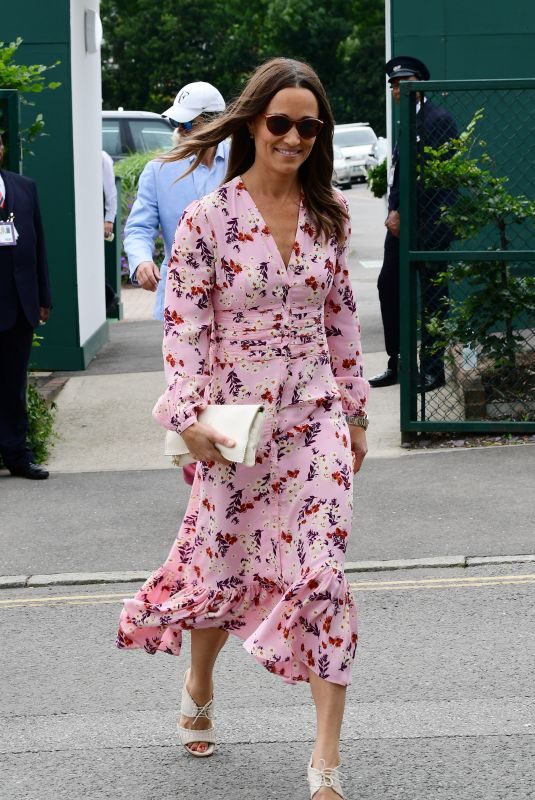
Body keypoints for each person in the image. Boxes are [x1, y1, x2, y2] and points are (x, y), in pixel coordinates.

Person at [117, 58, 370, 799]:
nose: (293, 136)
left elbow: (341, 322)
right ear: (254, 122)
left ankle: (325, 763)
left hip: (315, 416)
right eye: (280, 122)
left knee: (320, 571)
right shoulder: (209, 217)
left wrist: (353, 413)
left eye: (308, 125)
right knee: (222, 563)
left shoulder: (329, 215)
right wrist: (190, 415)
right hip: (235, 424)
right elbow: (185, 321)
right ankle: (199, 681)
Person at [369, 56, 458, 391]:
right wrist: (393, 210)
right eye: (393, 84)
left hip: (430, 225)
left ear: (419, 84)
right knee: (388, 284)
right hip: (400, 228)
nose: (397, 89)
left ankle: (434, 370)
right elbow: (399, 174)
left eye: (403, 82)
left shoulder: (438, 119)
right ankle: (399, 361)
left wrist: (403, 211)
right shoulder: (406, 120)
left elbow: (437, 179)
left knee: (433, 296)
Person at [124, 81, 228, 321]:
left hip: (238, 301)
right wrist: (141, 261)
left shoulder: (244, 163)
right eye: (176, 123)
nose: (180, 130)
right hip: (180, 299)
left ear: (216, 123)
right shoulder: (158, 170)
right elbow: (139, 227)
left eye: (188, 123)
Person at [0, 133, 51, 479]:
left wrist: (43, 297)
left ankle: (18, 455)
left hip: (19, 304)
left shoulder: (23, 187)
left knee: (14, 383)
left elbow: (39, 245)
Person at [102, 150, 119, 314]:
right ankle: (110, 296)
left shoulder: (102, 158)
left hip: (100, 217)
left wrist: (109, 219)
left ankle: (110, 296)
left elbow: (111, 191)